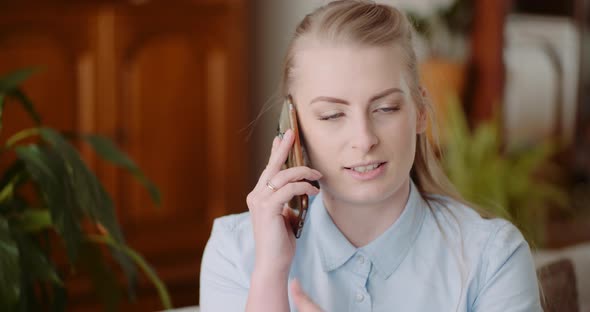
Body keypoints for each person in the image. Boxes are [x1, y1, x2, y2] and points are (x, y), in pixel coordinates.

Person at [199, 1, 542, 311]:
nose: (363, 139)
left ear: (420, 111)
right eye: (333, 115)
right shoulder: (235, 251)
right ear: (292, 126)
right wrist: (270, 271)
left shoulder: (494, 257)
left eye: (386, 108)